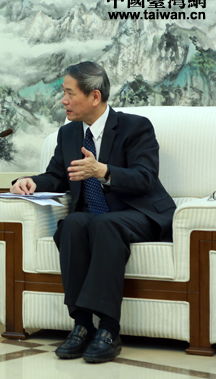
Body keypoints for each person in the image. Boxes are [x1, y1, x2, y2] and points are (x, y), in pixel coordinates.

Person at [10, 61, 175, 363]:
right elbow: (58, 176)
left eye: (69, 93)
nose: (63, 100)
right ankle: (82, 325)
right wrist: (31, 181)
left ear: (94, 96)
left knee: (105, 225)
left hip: (140, 212)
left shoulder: (136, 127)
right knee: (72, 223)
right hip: (96, 216)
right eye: (63, 93)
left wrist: (103, 171)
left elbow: (145, 178)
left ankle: (109, 329)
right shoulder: (68, 134)